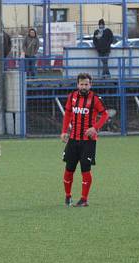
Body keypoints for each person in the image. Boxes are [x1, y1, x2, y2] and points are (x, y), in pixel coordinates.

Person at [60, 72, 108, 207]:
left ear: (90, 85)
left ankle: (84, 199)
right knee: (69, 169)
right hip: (73, 139)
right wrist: (64, 131)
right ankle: (68, 196)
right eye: (81, 84)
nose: (84, 87)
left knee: (85, 169)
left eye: (86, 84)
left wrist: (95, 128)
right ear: (77, 85)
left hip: (88, 141)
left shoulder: (96, 99)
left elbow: (105, 114)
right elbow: (68, 114)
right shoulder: (72, 97)